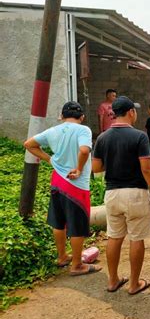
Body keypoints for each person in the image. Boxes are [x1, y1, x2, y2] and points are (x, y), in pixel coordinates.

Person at [92, 96, 150, 295]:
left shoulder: (102, 138)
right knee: (136, 238)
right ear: (131, 112)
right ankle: (134, 284)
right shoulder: (139, 137)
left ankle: (113, 280)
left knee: (114, 237)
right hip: (136, 194)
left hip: (112, 194)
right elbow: (147, 169)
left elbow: (96, 167)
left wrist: (115, 160)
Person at [24, 101, 102, 276]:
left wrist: (50, 159)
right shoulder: (83, 130)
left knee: (59, 221)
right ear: (81, 116)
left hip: (57, 181)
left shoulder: (53, 131)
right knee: (78, 224)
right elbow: (84, 151)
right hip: (76, 184)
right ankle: (77, 265)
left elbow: (29, 144)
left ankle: (61, 257)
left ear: (62, 116)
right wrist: (79, 169)